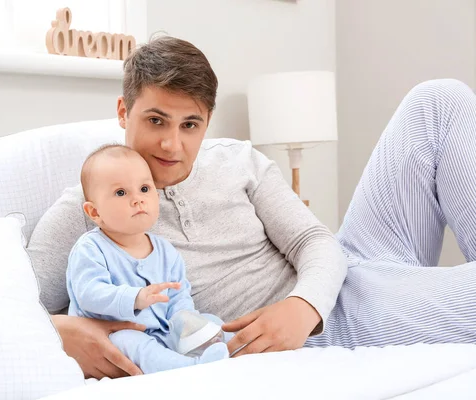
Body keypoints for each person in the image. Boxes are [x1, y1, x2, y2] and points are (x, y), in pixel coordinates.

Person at [27, 36, 476, 379]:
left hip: (334, 288)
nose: (171, 143)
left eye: (190, 125)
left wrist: (305, 306)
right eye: (156, 120)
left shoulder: (238, 161)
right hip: (341, 325)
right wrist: (63, 332)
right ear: (124, 111)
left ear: (207, 121)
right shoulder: (90, 210)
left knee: (437, 100)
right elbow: (14, 311)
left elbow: (314, 241)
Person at [66, 144, 229, 374]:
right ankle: (189, 367)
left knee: (209, 321)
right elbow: (89, 295)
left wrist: (185, 319)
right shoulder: (90, 248)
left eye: (144, 188)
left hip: (164, 330)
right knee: (133, 344)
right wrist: (135, 298)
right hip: (115, 333)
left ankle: (233, 346)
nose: (137, 199)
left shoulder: (164, 250)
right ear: (94, 212)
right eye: (121, 193)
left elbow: (179, 293)